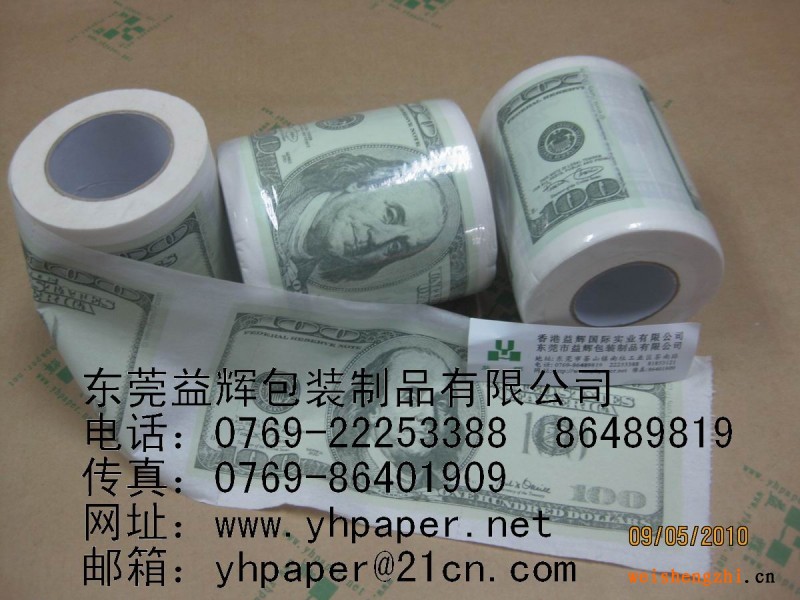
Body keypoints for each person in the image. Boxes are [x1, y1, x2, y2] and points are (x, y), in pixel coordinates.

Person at [276, 153, 452, 289]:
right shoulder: (281, 194)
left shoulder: (294, 284)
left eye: (396, 246)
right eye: (389, 215)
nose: (378, 240)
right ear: (362, 183)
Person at [331, 344, 465, 494]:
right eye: (410, 398)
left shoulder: (443, 490)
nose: (430, 416)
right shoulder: (339, 470)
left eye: (441, 404)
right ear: (373, 407)